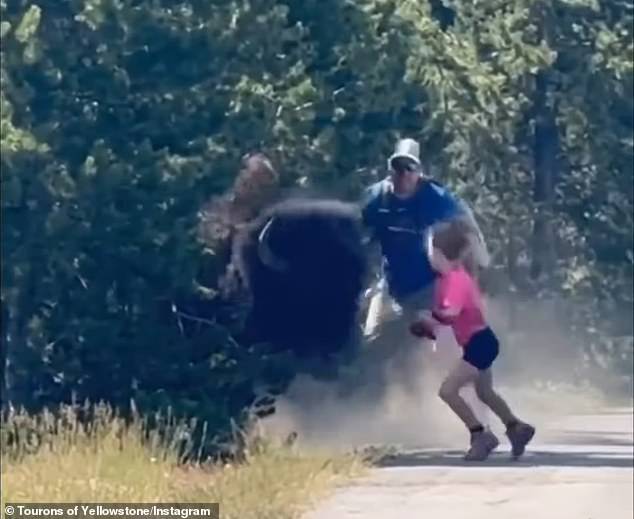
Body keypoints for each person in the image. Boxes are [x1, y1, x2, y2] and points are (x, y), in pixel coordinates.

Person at [360, 138, 489, 395]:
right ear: (390, 169)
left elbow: (464, 221)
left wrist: (479, 256)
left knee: (438, 348)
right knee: (371, 342)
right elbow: (357, 232)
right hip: (391, 286)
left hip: (430, 287)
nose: (404, 174)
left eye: (410, 168)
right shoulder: (376, 198)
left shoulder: (434, 197)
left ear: (419, 172)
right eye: (398, 167)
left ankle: (459, 395)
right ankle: (376, 403)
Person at [410, 219, 535, 461]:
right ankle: (516, 427)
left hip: (480, 343)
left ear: (438, 252)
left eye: (429, 251)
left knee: (448, 391)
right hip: (478, 340)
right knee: (484, 392)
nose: (428, 256)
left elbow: (450, 314)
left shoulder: (456, 280)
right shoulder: (446, 280)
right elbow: (450, 319)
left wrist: (430, 317)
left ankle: (480, 435)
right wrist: (427, 327)